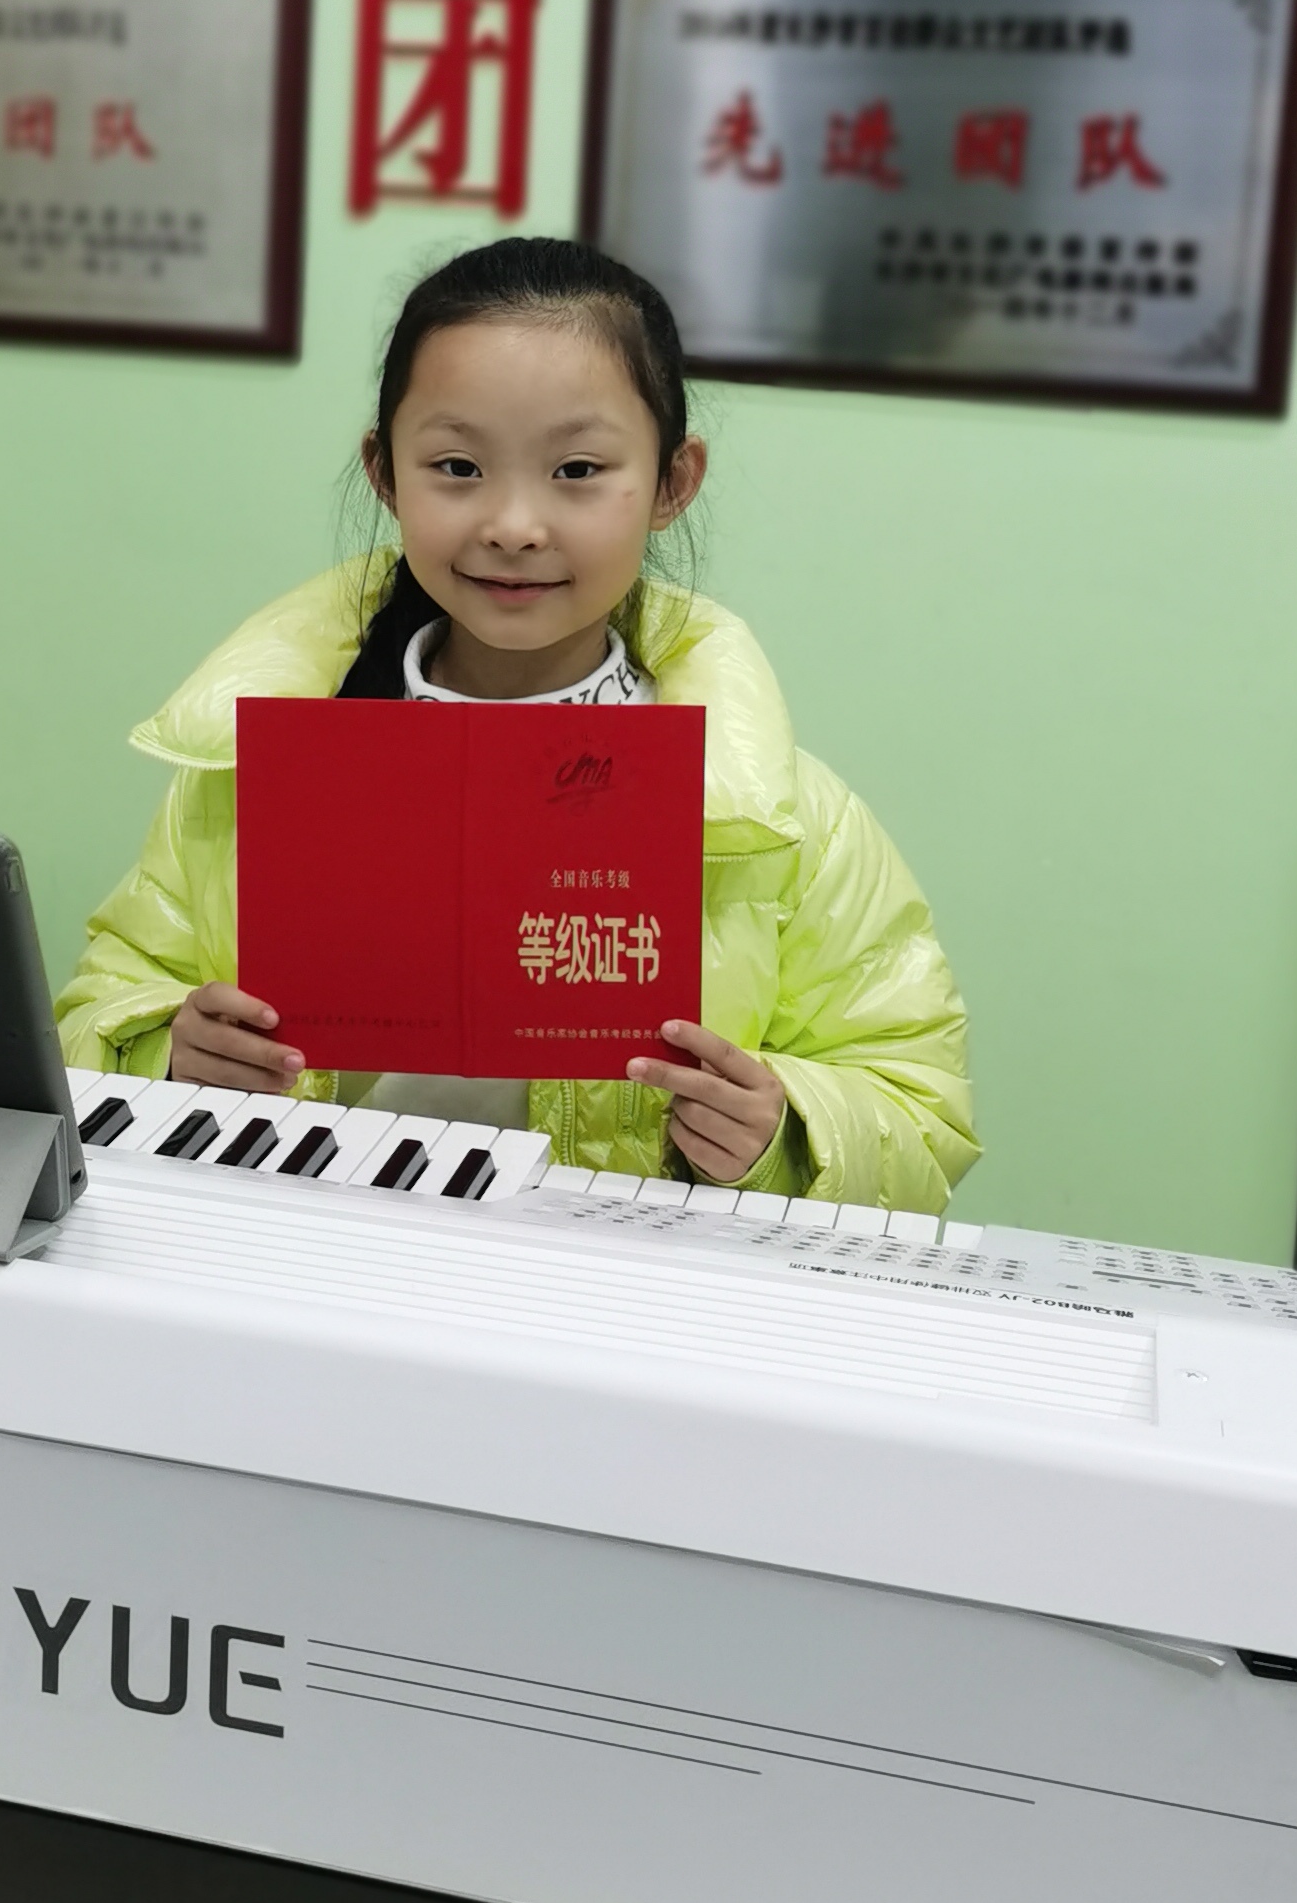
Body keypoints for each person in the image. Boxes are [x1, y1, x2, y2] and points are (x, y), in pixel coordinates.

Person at [55, 236, 975, 1211]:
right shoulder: (245, 772)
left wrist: (779, 1129)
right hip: (314, 1264)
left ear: (672, 482)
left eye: (576, 469)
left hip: (605, 1287)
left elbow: (917, 1107)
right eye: (456, 466)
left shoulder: (775, 813)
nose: (512, 525)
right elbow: (96, 1012)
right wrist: (169, 1054)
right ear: (384, 472)